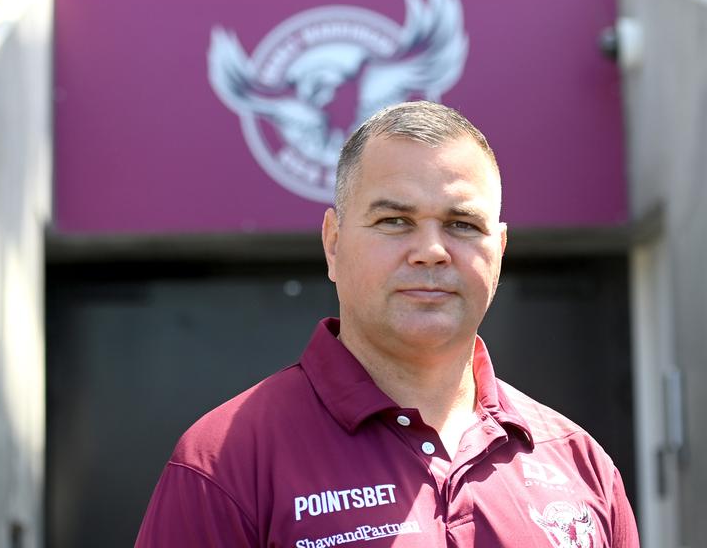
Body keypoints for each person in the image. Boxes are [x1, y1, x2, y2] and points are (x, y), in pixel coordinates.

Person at [135, 100, 639, 547]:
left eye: (462, 225)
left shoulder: (579, 465)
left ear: (500, 250)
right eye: (395, 221)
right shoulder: (224, 463)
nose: (431, 252)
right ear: (333, 243)